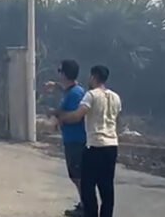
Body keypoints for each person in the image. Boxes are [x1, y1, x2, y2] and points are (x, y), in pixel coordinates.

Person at [58, 65, 121, 217]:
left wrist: (62, 118)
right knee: (107, 188)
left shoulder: (91, 95)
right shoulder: (115, 97)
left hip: (94, 145)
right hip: (112, 145)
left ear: (93, 77)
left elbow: (78, 116)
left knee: (88, 187)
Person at [45, 60, 87, 217]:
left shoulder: (75, 94)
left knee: (77, 175)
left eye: (60, 71)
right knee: (75, 174)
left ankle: (86, 205)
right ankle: (85, 203)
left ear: (64, 74)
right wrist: (55, 86)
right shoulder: (71, 91)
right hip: (71, 138)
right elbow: (64, 90)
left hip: (76, 139)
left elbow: (73, 116)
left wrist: (54, 113)